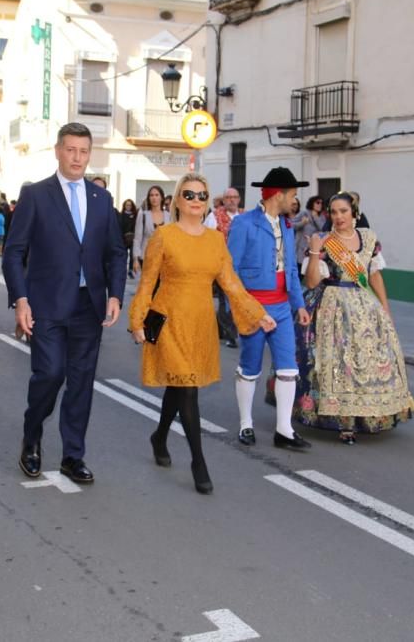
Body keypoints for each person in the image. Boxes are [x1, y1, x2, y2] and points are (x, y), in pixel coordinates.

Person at [129, 173, 275, 493]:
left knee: (180, 386)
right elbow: (147, 282)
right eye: (190, 195)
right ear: (178, 200)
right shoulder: (163, 236)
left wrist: (258, 313)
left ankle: (159, 436)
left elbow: (231, 283)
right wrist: (137, 320)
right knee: (188, 388)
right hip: (167, 320)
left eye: (202, 196)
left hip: (199, 322)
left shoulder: (215, 240)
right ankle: (198, 461)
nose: (196, 201)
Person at [3, 122, 127, 485]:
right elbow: (14, 252)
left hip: (89, 307)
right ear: (58, 151)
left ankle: (74, 455)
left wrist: (116, 294)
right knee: (50, 374)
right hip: (47, 304)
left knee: (81, 383)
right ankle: (32, 435)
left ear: (90, 154)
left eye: (83, 151)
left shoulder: (101, 199)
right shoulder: (37, 195)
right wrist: (21, 299)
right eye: (70, 150)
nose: (77, 158)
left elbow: (116, 252)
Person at [294, 192, 414, 443]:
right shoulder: (322, 240)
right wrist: (315, 252)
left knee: (370, 361)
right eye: (334, 212)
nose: (338, 217)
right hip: (333, 308)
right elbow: (312, 281)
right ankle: (344, 422)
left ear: (354, 213)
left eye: (343, 211)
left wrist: (386, 309)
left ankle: (369, 413)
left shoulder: (369, 238)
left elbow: (374, 276)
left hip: (365, 307)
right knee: (340, 364)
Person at [227, 167, 312, 450]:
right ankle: (245, 424)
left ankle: (284, 430)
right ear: (279, 194)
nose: (295, 200)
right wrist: (243, 310)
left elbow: (290, 270)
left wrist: (298, 304)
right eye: (293, 195)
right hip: (254, 307)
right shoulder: (244, 224)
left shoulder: (287, 226)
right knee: (250, 368)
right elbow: (230, 272)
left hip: (282, 308)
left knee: (289, 369)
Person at [205, 186, 244, 348]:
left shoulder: (244, 216)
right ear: (224, 200)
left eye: (235, 197)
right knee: (225, 300)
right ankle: (230, 334)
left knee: (238, 300)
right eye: (229, 198)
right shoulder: (214, 217)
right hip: (222, 265)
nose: (232, 200)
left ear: (239, 199)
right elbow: (205, 240)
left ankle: (234, 329)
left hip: (242, 266)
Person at [131, 185, 170, 274]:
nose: (154, 198)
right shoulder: (143, 215)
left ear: (162, 197)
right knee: (148, 286)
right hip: (146, 258)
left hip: (164, 259)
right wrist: (135, 259)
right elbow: (137, 239)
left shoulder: (168, 216)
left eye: (157, 195)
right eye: (151, 195)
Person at [118, 198, 138, 278]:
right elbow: (120, 226)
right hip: (123, 238)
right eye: (127, 205)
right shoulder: (121, 215)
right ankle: (122, 270)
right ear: (124, 206)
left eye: (130, 205)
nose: (128, 206)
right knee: (124, 255)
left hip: (133, 238)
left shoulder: (135, 215)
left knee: (133, 255)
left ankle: (130, 270)